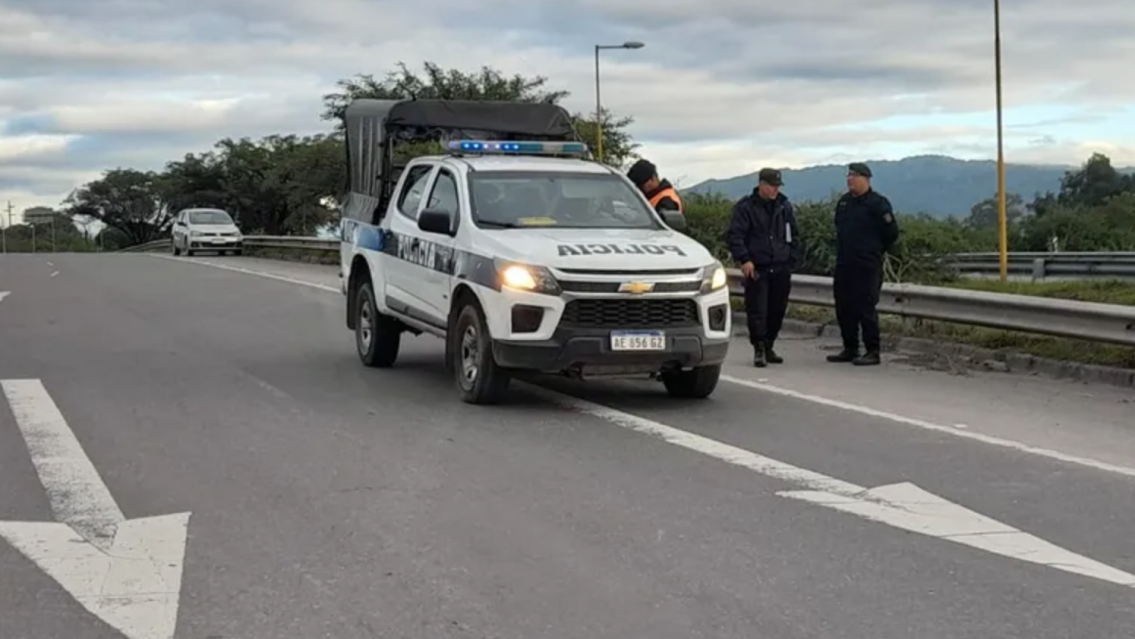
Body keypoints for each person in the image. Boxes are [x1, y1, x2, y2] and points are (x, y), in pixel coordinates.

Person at [726, 168, 801, 367]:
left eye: (777, 186)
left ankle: (769, 345)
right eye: (771, 186)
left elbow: (794, 234)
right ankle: (758, 348)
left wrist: (791, 259)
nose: (775, 190)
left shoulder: (784, 206)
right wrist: (744, 259)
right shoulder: (746, 207)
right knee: (757, 310)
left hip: (780, 266)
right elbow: (735, 235)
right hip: (757, 267)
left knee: (777, 309)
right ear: (761, 185)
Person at [828, 162, 899, 366]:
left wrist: (874, 251)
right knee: (844, 307)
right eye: (848, 175)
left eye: (855, 175)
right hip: (845, 263)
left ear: (866, 179)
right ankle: (850, 348)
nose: (850, 179)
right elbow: (838, 227)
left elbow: (891, 233)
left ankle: (872, 351)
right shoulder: (844, 203)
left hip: (867, 265)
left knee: (866, 307)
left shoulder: (878, 204)